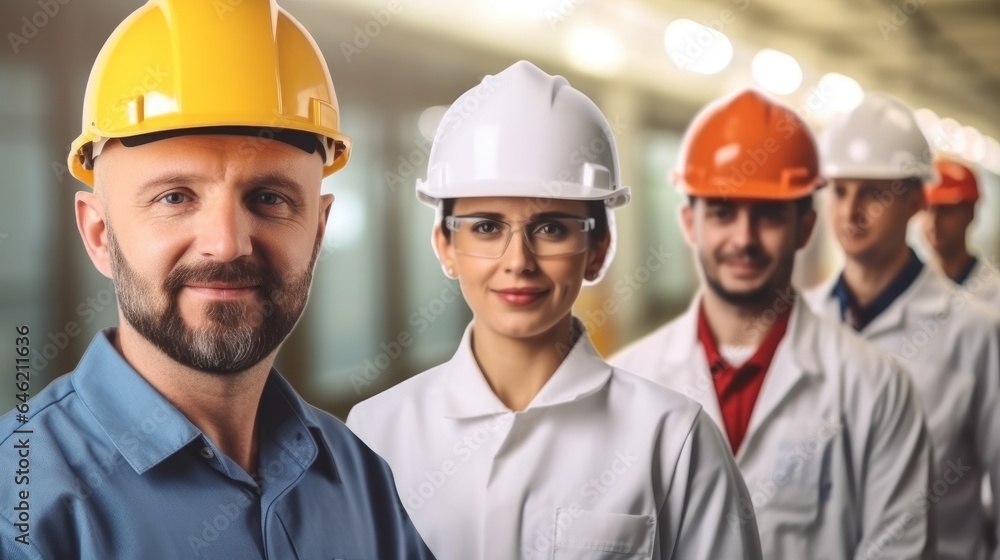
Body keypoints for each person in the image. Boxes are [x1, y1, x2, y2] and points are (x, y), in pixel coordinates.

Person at [0, 1, 433, 558]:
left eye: (270, 198)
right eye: (175, 197)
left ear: (319, 230)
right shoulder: (23, 511)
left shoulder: (359, 477)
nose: (227, 243)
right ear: (100, 234)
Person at [346, 60, 763, 560]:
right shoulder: (375, 432)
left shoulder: (672, 439)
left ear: (600, 249)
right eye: (486, 228)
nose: (518, 262)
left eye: (551, 228)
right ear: (444, 246)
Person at [611, 88, 934, 559]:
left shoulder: (877, 387)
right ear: (689, 222)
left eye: (768, 216)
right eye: (722, 213)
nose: (744, 239)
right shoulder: (628, 383)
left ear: (805, 227)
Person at [804, 92, 1000, 560]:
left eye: (873, 192)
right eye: (840, 189)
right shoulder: (800, 323)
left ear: (916, 199)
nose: (850, 211)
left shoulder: (976, 332)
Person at [919, 158, 1000, 306]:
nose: (933, 222)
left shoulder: (995, 294)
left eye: (946, 211)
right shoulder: (908, 288)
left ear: (970, 212)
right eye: (927, 209)